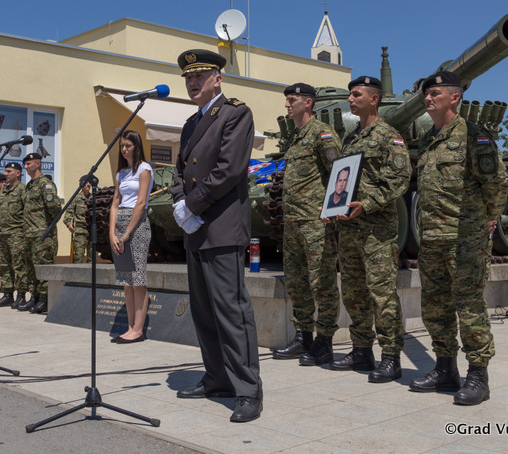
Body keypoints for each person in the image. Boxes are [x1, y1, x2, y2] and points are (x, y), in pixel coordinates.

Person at [171, 49, 263, 423]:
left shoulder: (235, 114)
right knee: (204, 312)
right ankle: (217, 379)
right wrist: (179, 203)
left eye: (200, 76)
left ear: (217, 79)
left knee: (231, 311)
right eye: (188, 78)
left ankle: (248, 390)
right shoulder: (190, 124)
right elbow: (178, 172)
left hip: (222, 228)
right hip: (196, 230)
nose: (193, 82)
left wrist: (191, 206)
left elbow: (229, 169)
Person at [409, 71, 508, 405]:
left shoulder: (474, 136)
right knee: (435, 307)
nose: (428, 98)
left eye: (435, 93)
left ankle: (478, 375)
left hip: (465, 239)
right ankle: (445, 368)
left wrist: (489, 217)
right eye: (426, 93)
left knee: (469, 308)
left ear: (454, 97)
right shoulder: (428, 139)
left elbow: (497, 182)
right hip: (432, 239)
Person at [327, 76, 409, 383]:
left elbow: (399, 179)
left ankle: (391, 356)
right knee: (353, 292)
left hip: (377, 230)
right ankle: (361, 349)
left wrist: (369, 203)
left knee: (381, 294)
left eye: (357, 95)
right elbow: (342, 180)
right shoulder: (350, 139)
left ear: (374, 99)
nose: (350, 99)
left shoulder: (390, 136)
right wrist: (332, 208)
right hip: (349, 229)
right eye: (350, 94)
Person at [272, 83, 342, 367]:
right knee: (296, 281)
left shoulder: (323, 133)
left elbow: (339, 173)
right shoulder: (296, 136)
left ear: (308, 103)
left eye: (292, 100)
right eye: (287, 100)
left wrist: (332, 209)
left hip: (316, 222)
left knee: (321, 283)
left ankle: (325, 341)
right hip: (293, 222)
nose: (287, 105)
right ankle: (304, 336)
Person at [108, 130, 153, 343]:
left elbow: (141, 202)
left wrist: (126, 233)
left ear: (136, 146)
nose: (124, 149)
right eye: (122, 146)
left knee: (138, 279)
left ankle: (138, 330)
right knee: (126, 280)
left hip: (137, 225)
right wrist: (112, 232)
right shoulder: (121, 173)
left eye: (128, 145)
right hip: (120, 224)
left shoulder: (144, 169)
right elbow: (115, 203)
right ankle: (129, 327)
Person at [21, 154, 61, 314]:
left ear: (38, 164)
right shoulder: (29, 186)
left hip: (42, 235)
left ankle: (45, 299)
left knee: (43, 267)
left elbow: (55, 210)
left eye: (28, 163)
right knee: (31, 268)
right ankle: (35, 297)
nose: (25, 167)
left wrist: (44, 228)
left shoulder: (46, 184)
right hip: (29, 234)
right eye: (24, 164)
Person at [0, 162, 28, 308]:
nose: (6, 174)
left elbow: (27, 212)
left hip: (17, 234)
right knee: (4, 265)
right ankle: (7, 294)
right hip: (3, 234)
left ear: (18, 173)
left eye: (9, 171)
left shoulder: (23, 190)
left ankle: (21, 295)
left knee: (19, 265)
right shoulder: (4, 191)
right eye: (5, 171)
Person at [65, 182, 92, 263]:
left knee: (92, 258)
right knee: (78, 257)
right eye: (86, 182)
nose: (88, 184)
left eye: (90, 183)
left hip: (92, 231)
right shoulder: (76, 198)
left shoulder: (94, 198)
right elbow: (68, 212)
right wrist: (69, 224)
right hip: (80, 231)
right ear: (81, 184)